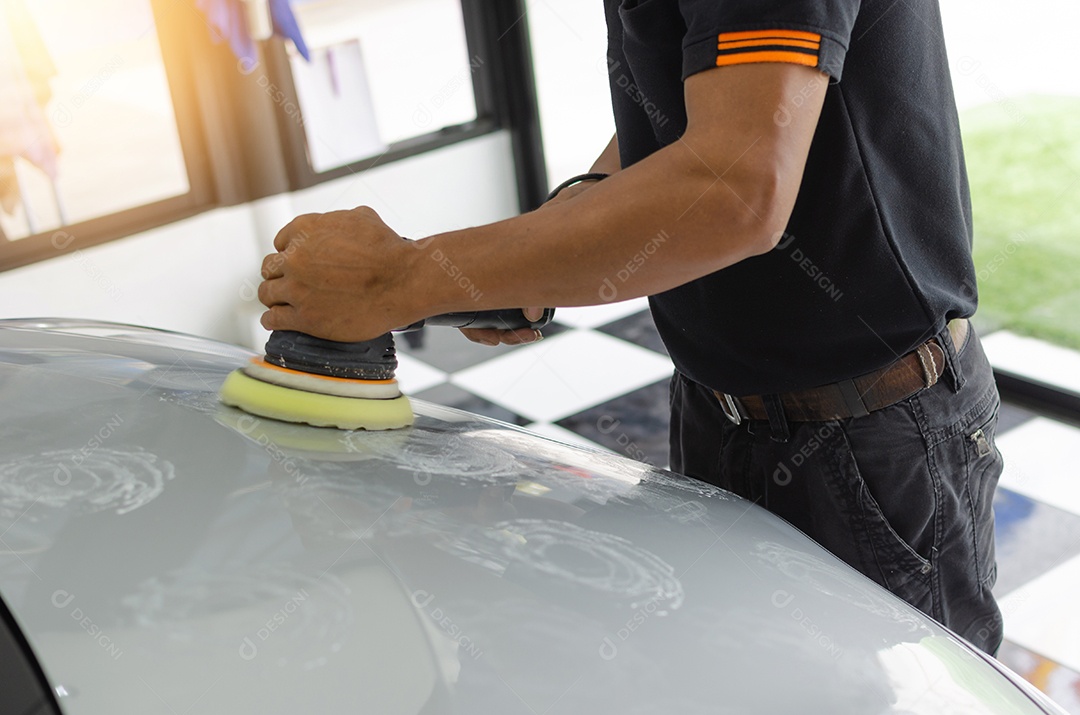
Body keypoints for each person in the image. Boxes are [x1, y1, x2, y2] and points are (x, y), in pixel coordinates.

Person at [257, 0, 1005, 653]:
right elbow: (698, 113)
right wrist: (541, 245)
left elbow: (736, 186)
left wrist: (400, 277)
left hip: (876, 442)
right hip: (722, 413)